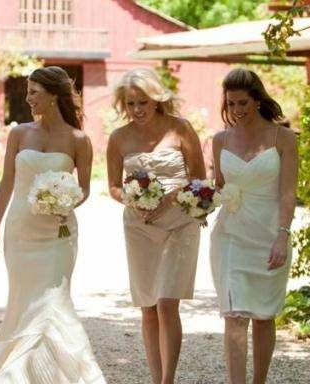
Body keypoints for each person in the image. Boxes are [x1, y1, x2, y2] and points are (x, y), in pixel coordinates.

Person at [0, 66, 106, 383]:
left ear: (53, 95)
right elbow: (6, 182)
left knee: (53, 300)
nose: (28, 99)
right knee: (24, 299)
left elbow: (85, 190)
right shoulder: (19, 133)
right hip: (20, 230)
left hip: (58, 233)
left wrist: (64, 202)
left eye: (34, 92)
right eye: (28, 92)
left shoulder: (79, 140)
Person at [106, 67, 205, 384]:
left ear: (157, 100)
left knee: (166, 301)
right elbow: (113, 187)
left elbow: (200, 180)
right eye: (131, 104)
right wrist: (133, 200)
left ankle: (168, 380)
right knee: (148, 306)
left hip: (179, 223)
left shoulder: (181, 130)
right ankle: (155, 378)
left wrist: (171, 196)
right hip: (139, 226)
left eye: (143, 103)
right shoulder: (118, 138)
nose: (137, 110)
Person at [210, 68, 298, 384]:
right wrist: (200, 201)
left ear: (258, 99)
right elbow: (217, 186)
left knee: (263, 316)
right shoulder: (219, 140)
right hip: (230, 235)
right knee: (233, 315)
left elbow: (288, 193)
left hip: (269, 233)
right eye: (231, 104)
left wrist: (282, 235)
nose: (237, 111)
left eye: (243, 103)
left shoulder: (283, 138)